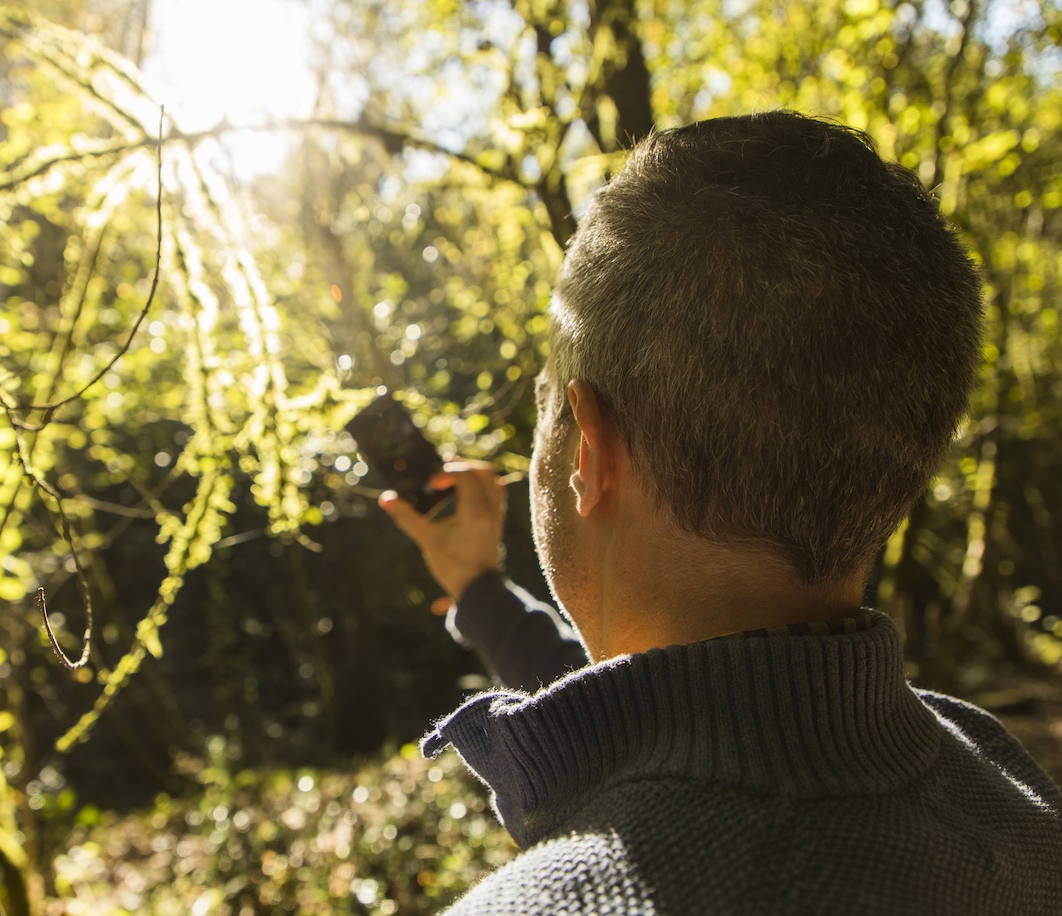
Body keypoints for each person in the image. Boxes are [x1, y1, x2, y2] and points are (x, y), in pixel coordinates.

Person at [380, 111, 1062, 914]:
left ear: (590, 453)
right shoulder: (993, 774)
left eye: (544, 408)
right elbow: (676, 717)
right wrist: (481, 591)